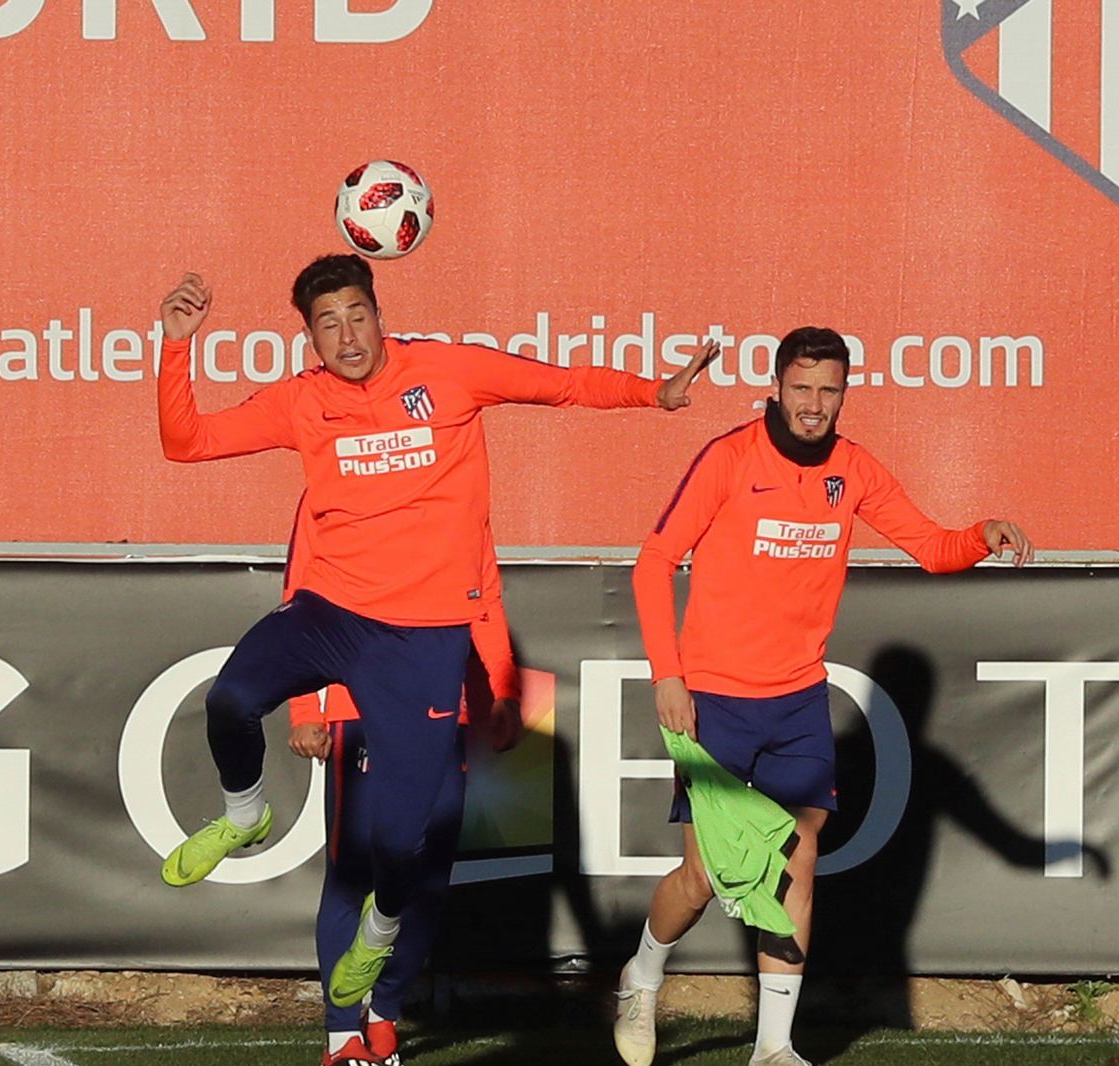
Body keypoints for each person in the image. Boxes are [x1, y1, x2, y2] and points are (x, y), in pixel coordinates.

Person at [154, 255, 714, 1009]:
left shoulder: (447, 371)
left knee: (399, 841)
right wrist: (177, 342)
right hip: (331, 613)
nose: (347, 335)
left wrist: (656, 392)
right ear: (310, 338)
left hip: (422, 639)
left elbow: (564, 383)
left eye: (357, 314)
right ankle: (244, 812)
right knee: (231, 698)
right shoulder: (303, 401)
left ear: (379, 313)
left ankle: (380, 932)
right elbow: (186, 442)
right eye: (328, 323)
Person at [620, 325, 1034, 1066]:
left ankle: (771, 1050)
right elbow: (652, 563)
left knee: (798, 858)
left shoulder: (854, 469)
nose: (814, 405)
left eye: (829, 391)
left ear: (845, 394)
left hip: (798, 697)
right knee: (706, 875)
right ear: (776, 388)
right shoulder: (730, 458)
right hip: (714, 697)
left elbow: (932, 546)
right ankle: (642, 976)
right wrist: (667, 675)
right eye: (802, 388)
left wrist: (981, 533)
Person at [282, 502, 522, 1066]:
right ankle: (342, 1033)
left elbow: (484, 599)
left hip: (443, 712)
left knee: (429, 881)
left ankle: (385, 1013)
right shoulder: (337, 479)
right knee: (351, 874)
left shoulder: (461, 495)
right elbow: (301, 594)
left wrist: (503, 690)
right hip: (356, 708)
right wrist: (301, 705)